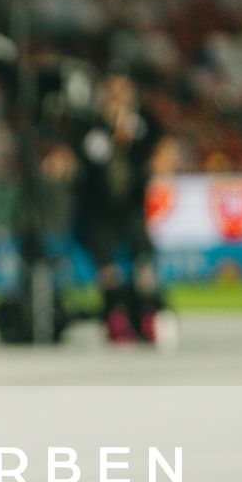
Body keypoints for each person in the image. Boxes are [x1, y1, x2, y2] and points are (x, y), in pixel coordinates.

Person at [70, 72, 168, 344]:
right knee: (108, 264)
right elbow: (89, 159)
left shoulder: (144, 123)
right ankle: (116, 315)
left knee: (143, 258)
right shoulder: (91, 127)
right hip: (101, 206)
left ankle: (149, 313)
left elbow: (158, 149)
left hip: (133, 203)